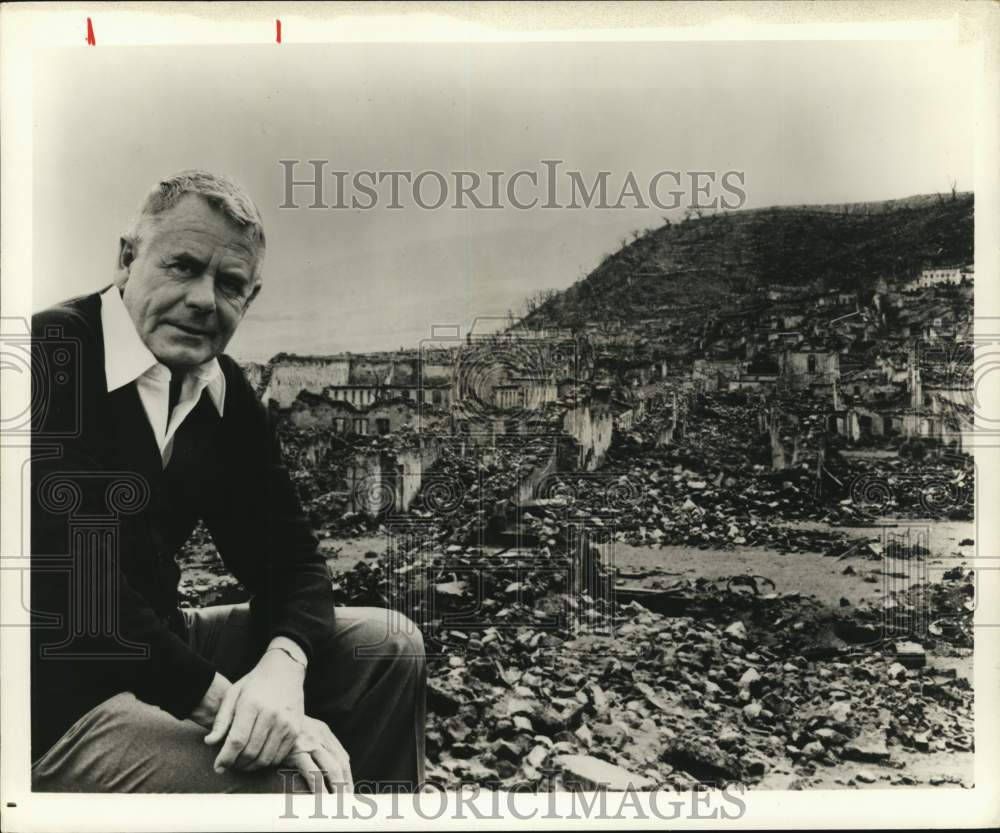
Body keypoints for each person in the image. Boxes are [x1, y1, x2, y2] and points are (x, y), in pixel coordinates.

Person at [30, 170, 425, 793]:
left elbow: (290, 560)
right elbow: (74, 592)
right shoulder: (48, 357)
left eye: (230, 284)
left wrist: (283, 667)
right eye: (182, 267)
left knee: (389, 647)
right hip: (50, 699)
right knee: (280, 780)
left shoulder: (222, 390)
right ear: (128, 260)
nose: (204, 300)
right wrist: (245, 715)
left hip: (158, 650)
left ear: (252, 297)